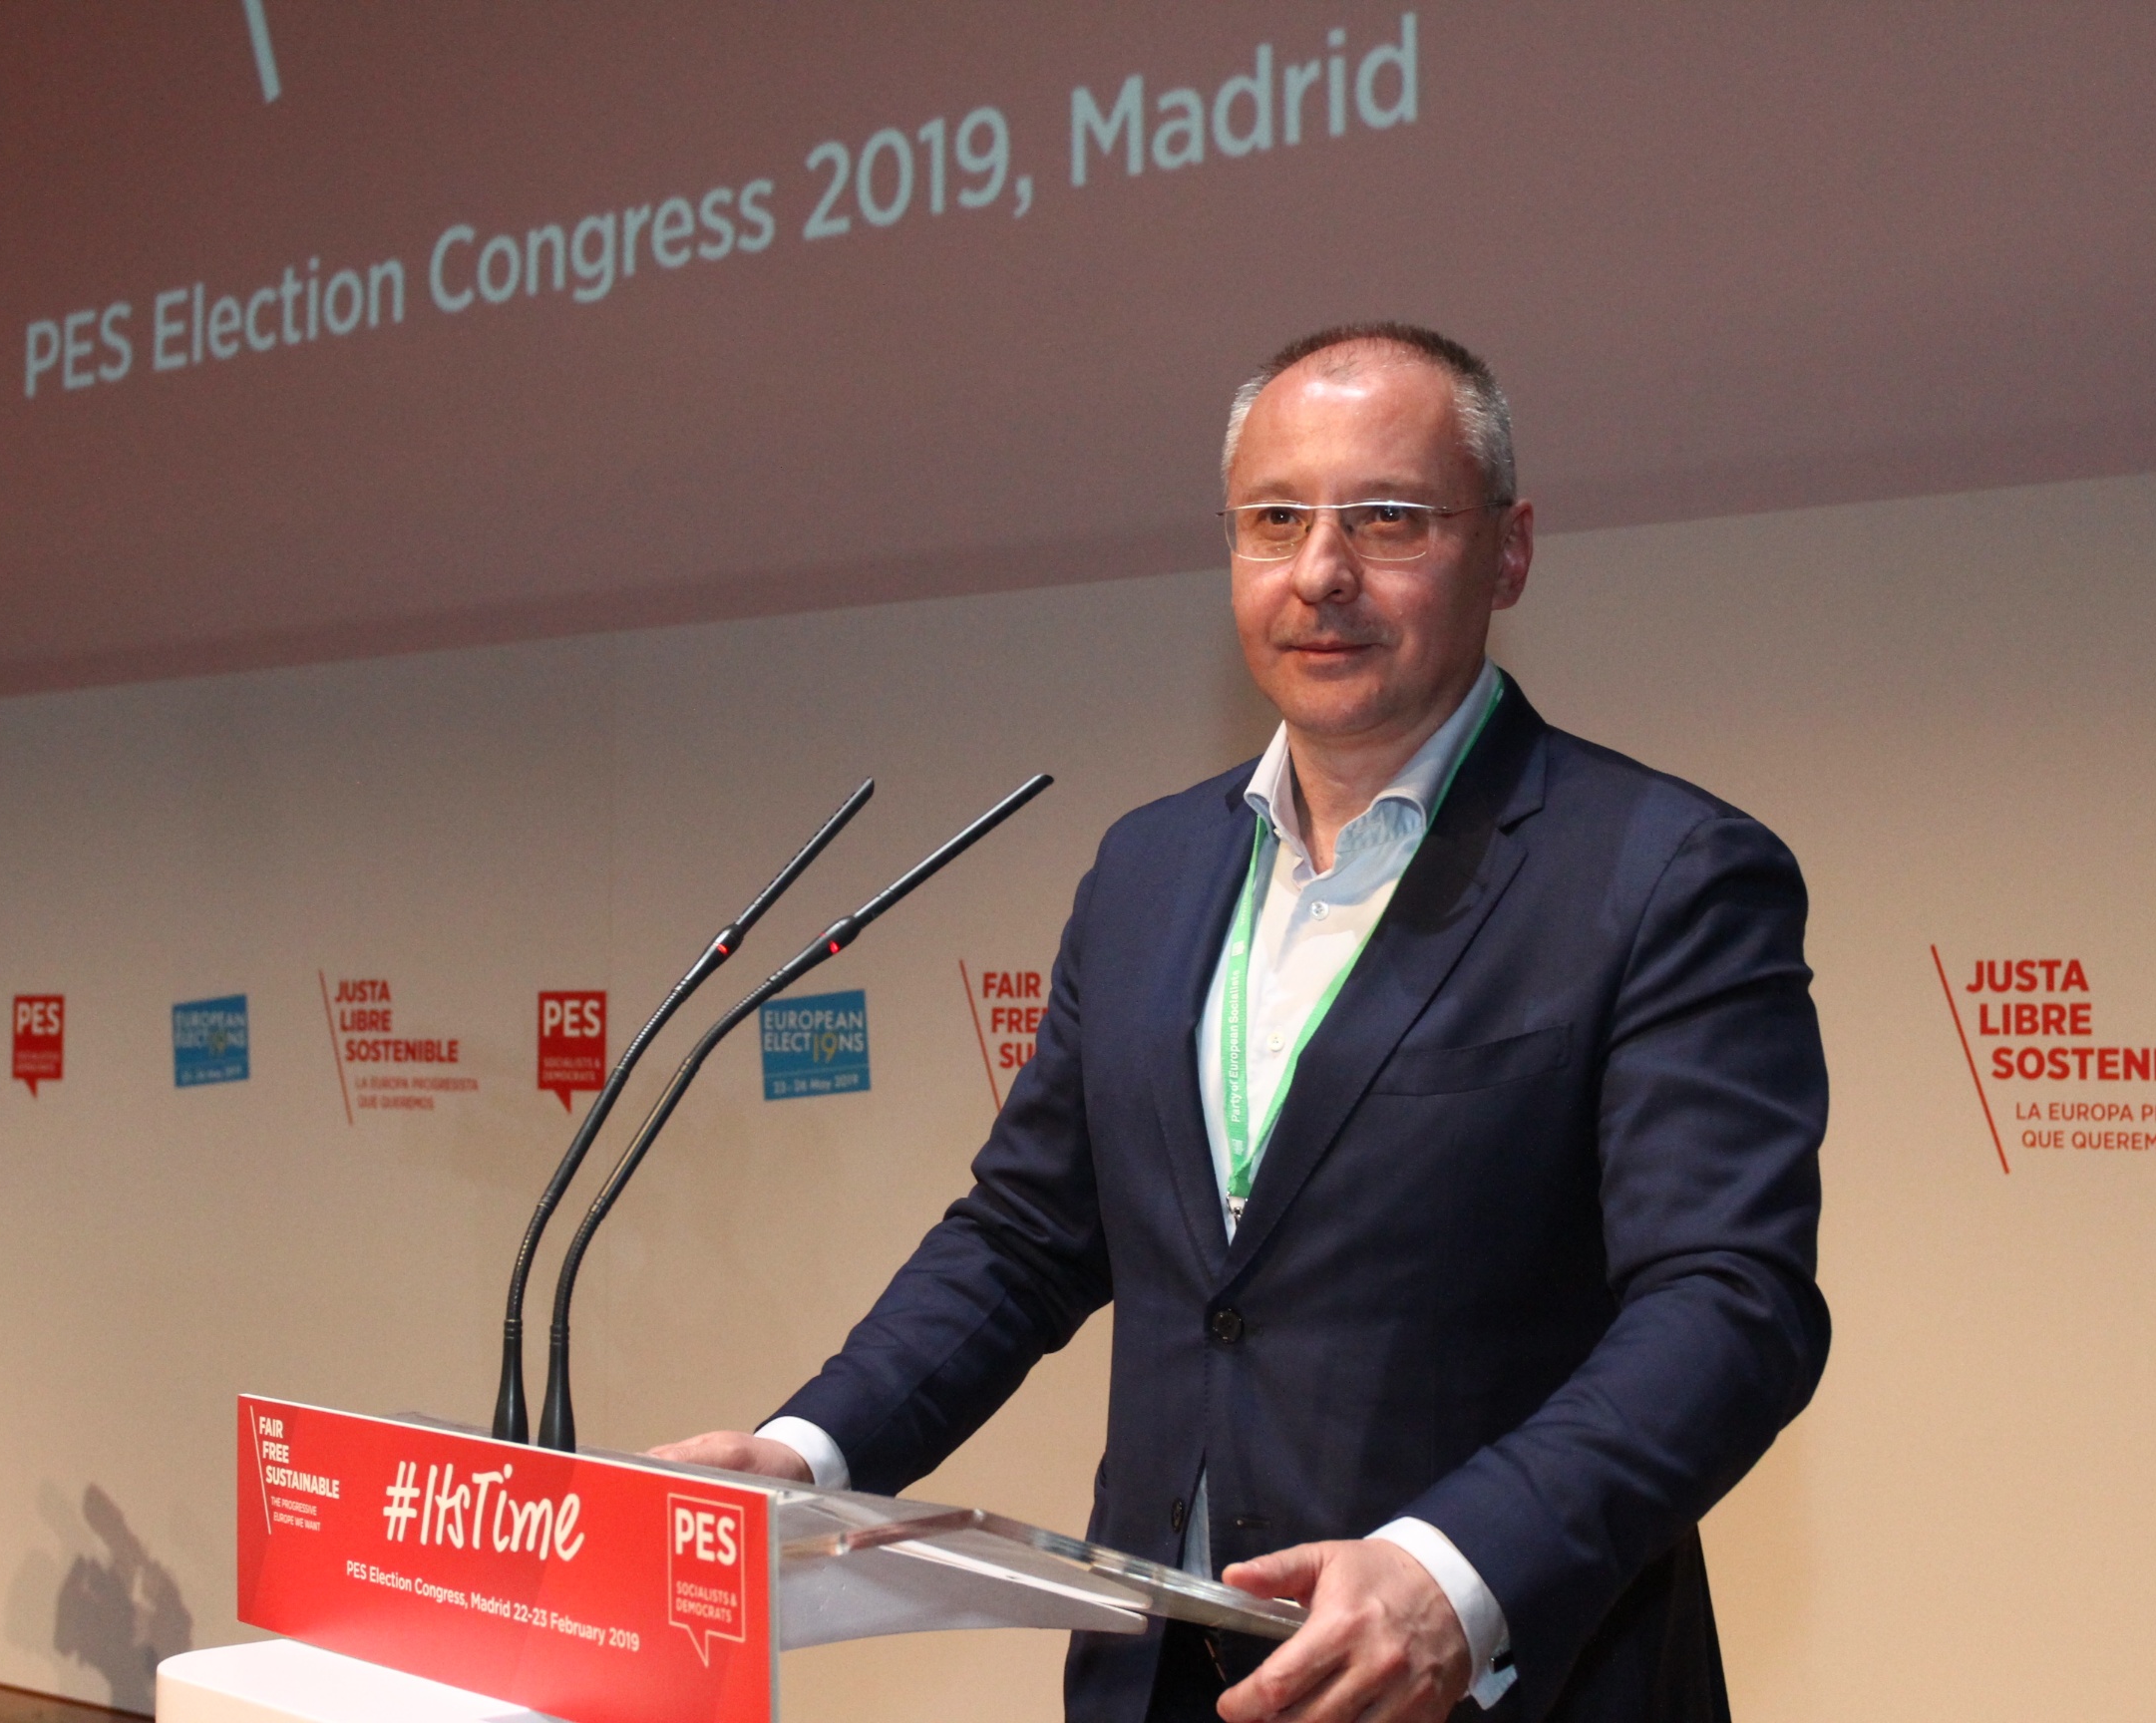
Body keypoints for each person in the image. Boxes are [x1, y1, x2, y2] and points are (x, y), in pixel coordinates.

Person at [656, 323, 1829, 1723]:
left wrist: (1454, 1571)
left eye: (1387, 519)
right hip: (1162, 1679)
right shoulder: (1147, 869)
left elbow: (1728, 1305)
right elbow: (1026, 1238)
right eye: (1275, 520)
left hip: (1495, 1683)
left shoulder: (1666, 872)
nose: (1321, 571)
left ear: (1509, 551)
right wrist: (805, 1458)